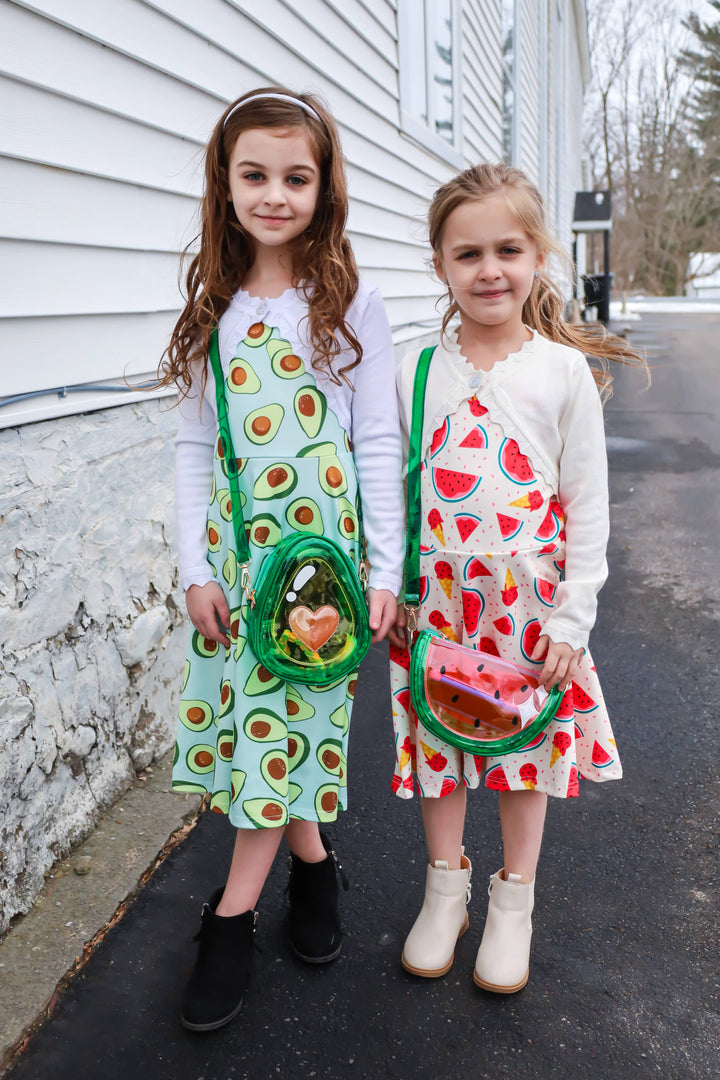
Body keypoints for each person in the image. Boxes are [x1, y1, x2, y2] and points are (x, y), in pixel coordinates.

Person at [159, 87, 403, 1031]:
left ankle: (227, 922)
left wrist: (383, 572)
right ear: (224, 185)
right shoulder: (212, 313)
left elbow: (377, 441)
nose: (274, 194)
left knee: (272, 737)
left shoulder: (353, 302)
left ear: (324, 186)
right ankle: (313, 872)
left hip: (320, 578)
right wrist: (195, 568)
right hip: (239, 565)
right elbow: (192, 449)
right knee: (267, 737)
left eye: (295, 177)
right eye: (253, 174)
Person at [388, 162, 647, 994]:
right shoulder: (413, 371)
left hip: (527, 610)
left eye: (507, 249)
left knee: (519, 757)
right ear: (439, 265)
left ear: (538, 255)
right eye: (467, 254)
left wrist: (572, 622)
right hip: (439, 609)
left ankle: (513, 903)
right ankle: (444, 892)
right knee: (440, 754)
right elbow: (393, 491)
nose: (489, 269)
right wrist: (392, 586)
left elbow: (589, 509)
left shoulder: (560, 372)